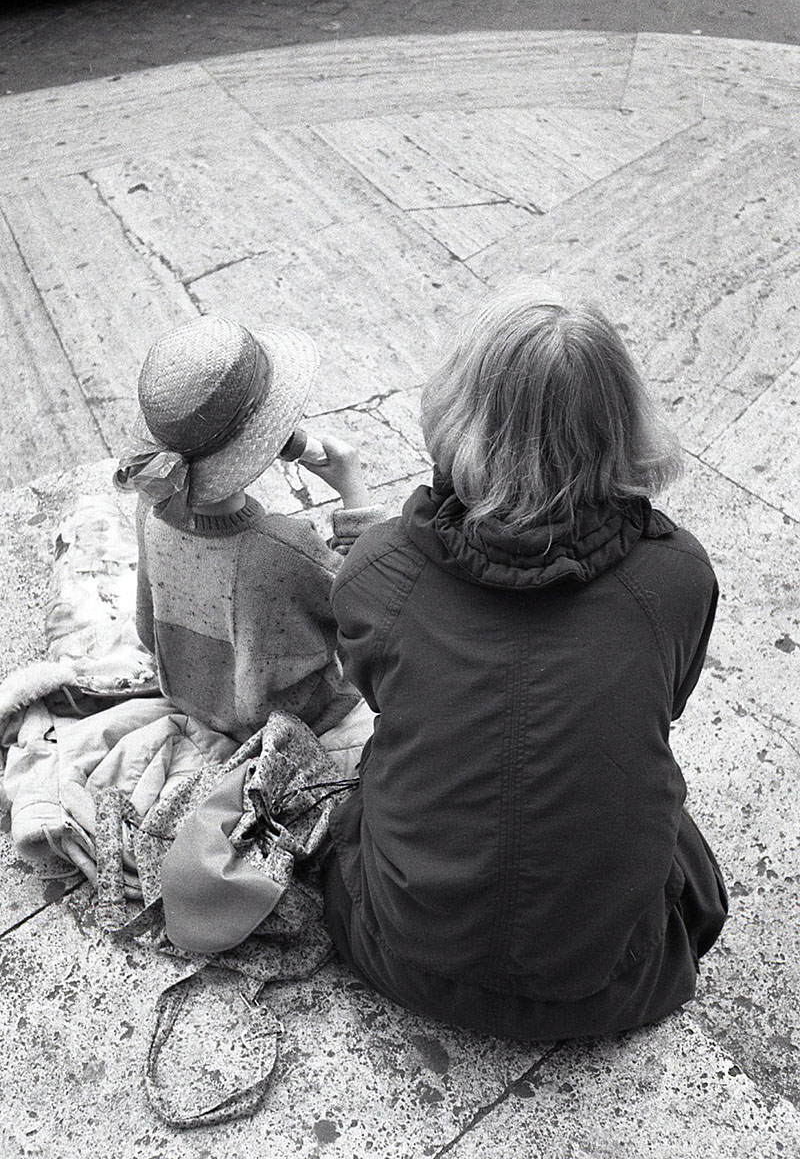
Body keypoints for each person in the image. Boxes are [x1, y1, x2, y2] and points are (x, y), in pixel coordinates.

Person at [323, 285, 728, 1041]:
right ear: (622, 421)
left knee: (377, 777)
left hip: (404, 957)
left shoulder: (378, 571)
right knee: (664, 817)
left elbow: (379, 696)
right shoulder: (678, 577)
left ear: (458, 413)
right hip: (614, 984)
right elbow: (665, 705)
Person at [115, 314, 380, 745]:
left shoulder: (153, 506)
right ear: (265, 438)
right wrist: (353, 487)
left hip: (193, 702)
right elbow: (372, 597)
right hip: (295, 719)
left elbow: (148, 632)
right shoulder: (281, 548)